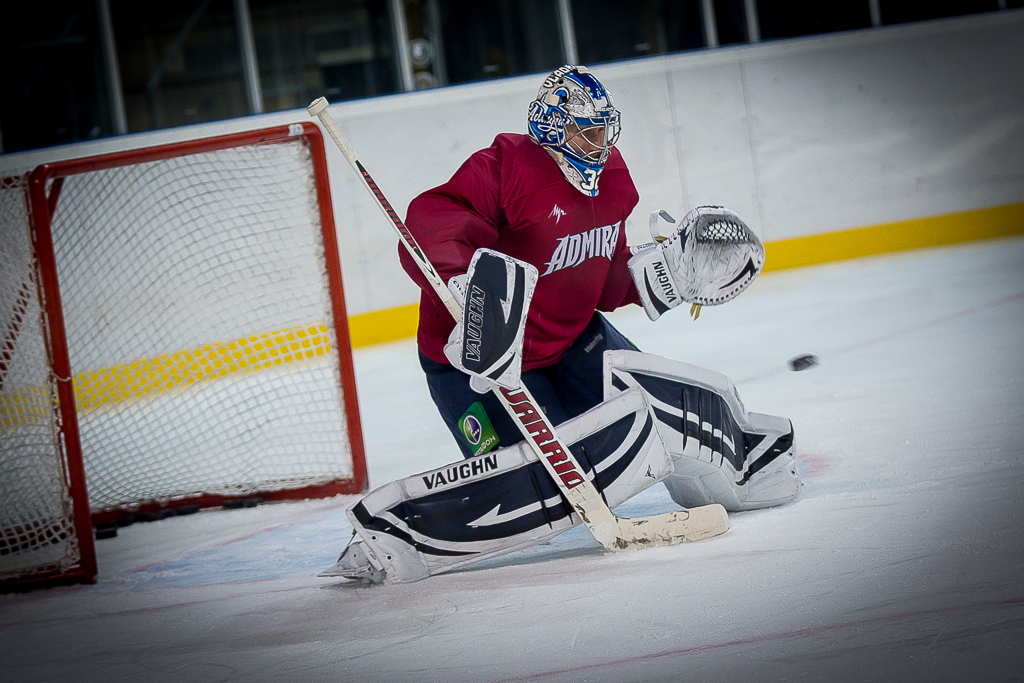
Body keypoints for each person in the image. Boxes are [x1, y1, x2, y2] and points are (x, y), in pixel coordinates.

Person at [399, 64, 643, 459]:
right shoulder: (505, 167)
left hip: (571, 341)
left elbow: (605, 272)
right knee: (542, 472)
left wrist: (656, 276)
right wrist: (465, 291)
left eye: (603, 129)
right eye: (587, 130)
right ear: (552, 126)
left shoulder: (613, 176)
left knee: (651, 417)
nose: (600, 143)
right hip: (483, 359)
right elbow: (433, 224)